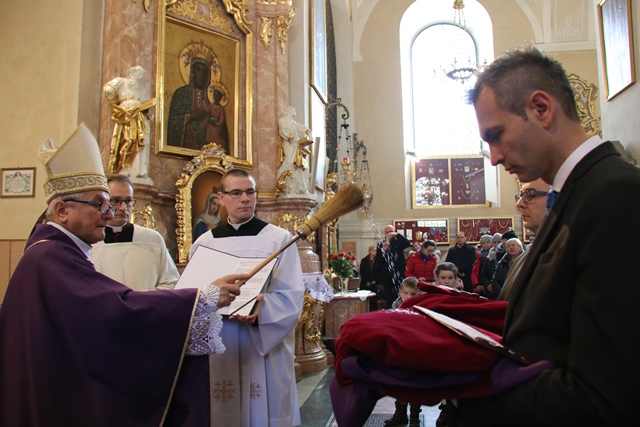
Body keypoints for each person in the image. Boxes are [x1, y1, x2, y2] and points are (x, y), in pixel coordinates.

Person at [0, 123, 245, 427]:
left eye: (112, 203)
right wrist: (201, 299)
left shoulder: (52, 251)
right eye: (99, 204)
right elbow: (111, 312)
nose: (109, 213)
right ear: (62, 210)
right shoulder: (50, 257)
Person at [457, 45, 640, 424]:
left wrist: (467, 389)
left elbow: (605, 395)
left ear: (541, 109)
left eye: (496, 135)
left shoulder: (615, 196)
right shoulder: (576, 193)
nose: (493, 156)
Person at [190, 168, 304, 426]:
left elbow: (292, 295)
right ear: (221, 198)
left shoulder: (278, 239)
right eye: (236, 193)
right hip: (221, 339)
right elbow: (195, 295)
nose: (245, 198)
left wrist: (264, 308)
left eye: (250, 192)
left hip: (261, 340)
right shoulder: (204, 243)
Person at [90, 174, 180, 291]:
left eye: (128, 201)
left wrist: (144, 299)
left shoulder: (152, 239)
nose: (123, 207)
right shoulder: (89, 241)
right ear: (103, 202)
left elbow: (171, 282)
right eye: (116, 201)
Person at [499, 178, 550, 300]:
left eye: (529, 195)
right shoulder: (523, 258)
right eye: (521, 195)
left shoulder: (567, 253)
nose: (519, 204)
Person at [167, 56, 230, 153]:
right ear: (192, 71)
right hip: (186, 148)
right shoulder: (181, 94)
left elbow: (222, 130)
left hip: (209, 149)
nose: (201, 75)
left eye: (205, 71)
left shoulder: (212, 98)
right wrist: (190, 116)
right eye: (198, 70)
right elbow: (174, 122)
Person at [103, 65, 154, 178]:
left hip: (138, 113)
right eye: (138, 74)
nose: (139, 77)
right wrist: (111, 95)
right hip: (127, 112)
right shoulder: (121, 81)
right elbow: (108, 88)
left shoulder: (138, 88)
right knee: (128, 139)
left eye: (141, 75)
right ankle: (125, 167)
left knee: (141, 139)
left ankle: (139, 170)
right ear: (132, 73)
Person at [385, 277, 423, 427]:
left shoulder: (421, 307)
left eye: (413, 294)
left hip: (416, 350)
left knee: (415, 384)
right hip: (400, 348)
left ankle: (414, 416)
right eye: (406, 293)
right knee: (399, 383)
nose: (409, 297)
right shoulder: (396, 306)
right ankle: (400, 414)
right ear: (400, 292)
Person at [277, 106, 313, 195]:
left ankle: (299, 187)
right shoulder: (282, 120)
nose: (294, 111)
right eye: (293, 109)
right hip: (288, 144)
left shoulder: (294, 123)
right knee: (288, 161)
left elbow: (302, 127)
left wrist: (308, 131)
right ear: (288, 111)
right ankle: (289, 186)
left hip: (296, 144)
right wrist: (290, 136)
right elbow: (282, 131)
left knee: (297, 164)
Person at [376, 225, 411, 308]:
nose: (389, 234)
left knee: (401, 296)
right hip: (387, 277)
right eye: (387, 232)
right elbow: (378, 260)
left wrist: (397, 235)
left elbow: (407, 243)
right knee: (389, 298)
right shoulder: (381, 244)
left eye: (391, 232)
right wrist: (383, 251)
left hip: (399, 274)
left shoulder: (398, 242)